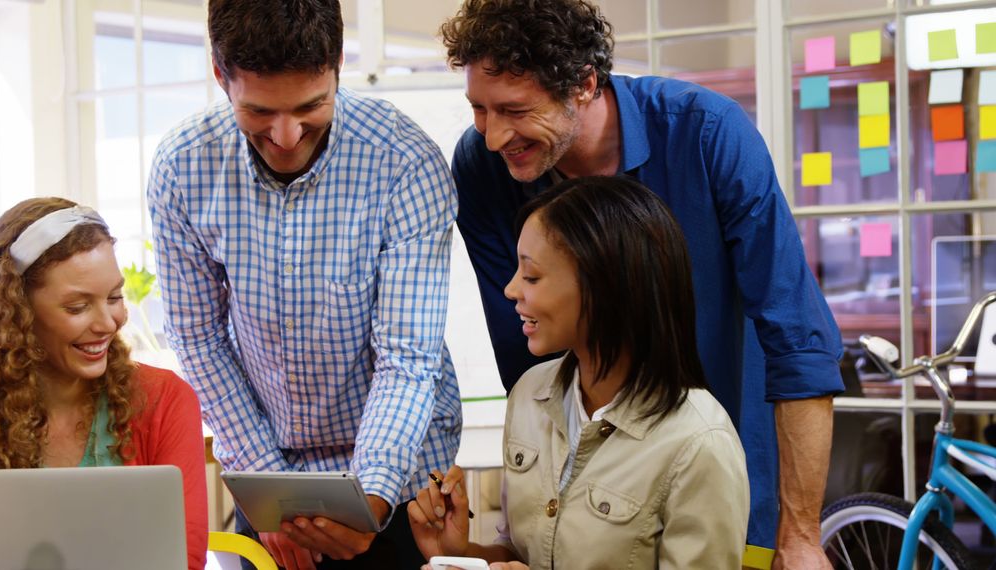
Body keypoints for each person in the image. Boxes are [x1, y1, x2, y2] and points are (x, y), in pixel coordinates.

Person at [439, 0, 844, 566]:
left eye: (514, 109)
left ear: (583, 84)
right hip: (592, 496)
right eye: (479, 109)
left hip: (726, 461)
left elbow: (796, 339)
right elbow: (527, 355)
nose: (491, 135)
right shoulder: (484, 169)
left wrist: (800, 536)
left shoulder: (707, 134)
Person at [146, 1, 461, 568]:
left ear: (338, 63)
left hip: (400, 478)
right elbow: (198, 340)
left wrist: (372, 497)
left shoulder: (405, 161)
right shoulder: (182, 168)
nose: (287, 136)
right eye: (259, 111)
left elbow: (406, 358)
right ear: (221, 75)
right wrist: (277, 498)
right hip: (267, 468)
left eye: (312, 106)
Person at [408, 175, 750, 569]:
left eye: (532, 276)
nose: (511, 289)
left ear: (604, 285)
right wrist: (459, 552)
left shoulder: (700, 443)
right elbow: (523, 554)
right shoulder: (529, 395)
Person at [0, 197, 208, 570]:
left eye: (114, 297)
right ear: (16, 313)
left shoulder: (164, 400)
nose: (109, 323)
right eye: (78, 307)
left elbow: (184, 556)